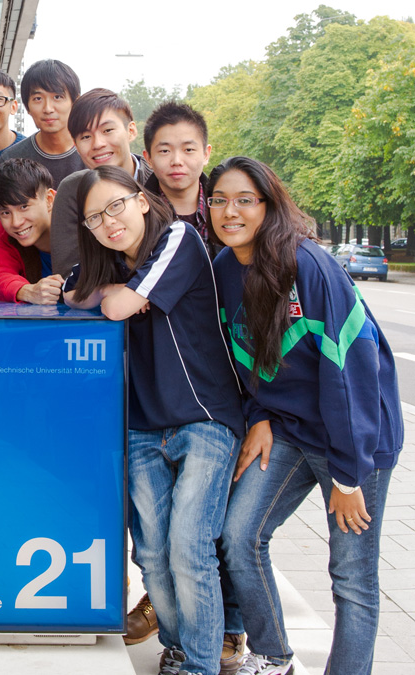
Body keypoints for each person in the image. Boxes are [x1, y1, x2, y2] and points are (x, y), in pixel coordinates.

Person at [211, 157, 403, 675]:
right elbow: (239, 359)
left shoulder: (310, 266)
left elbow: (352, 369)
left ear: (269, 205)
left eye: (245, 200)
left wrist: (348, 475)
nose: (230, 212)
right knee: (239, 537)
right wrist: (258, 415)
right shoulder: (225, 269)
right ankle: (274, 657)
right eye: (219, 200)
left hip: (357, 437)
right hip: (291, 429)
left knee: (352, 575)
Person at [64, 166, 245, 675]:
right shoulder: (108, 258)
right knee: (151, 553)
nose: (108, 222)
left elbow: (116, 306)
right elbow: (71, 291)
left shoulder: (178, 237)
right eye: (95, 218)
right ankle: (180, 647)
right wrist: (113, 290)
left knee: (189, 546)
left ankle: (201, 665)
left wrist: (117, 295)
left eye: (116, 206)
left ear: (141, 200)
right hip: (141, 425)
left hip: (203, 418)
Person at [50, 88, 152, 277]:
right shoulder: (72, 191)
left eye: (108, 130)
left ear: (130, 131)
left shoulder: (160, 178)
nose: (98, 144)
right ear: (75, 145)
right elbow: (68, 274)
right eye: (86, 137)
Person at [143, 101, 218, 260]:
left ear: (206, 154)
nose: (177, 161)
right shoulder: (135, 215)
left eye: (188, 150)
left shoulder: (226, 207)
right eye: (165, 151)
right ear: (148, 158)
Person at [0, 158, 64, 304]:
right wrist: (28, 291)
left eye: (24, 207)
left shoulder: (77, 217)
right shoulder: (5, 231)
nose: (16, 223)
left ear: (49, 200)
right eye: (5, 212)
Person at [0, 59, 83, 188]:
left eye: (57, 97)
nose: (48, 109)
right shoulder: (12, 159)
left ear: (75, 102)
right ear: (27, 107)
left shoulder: (93, 153)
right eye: (38, 99)